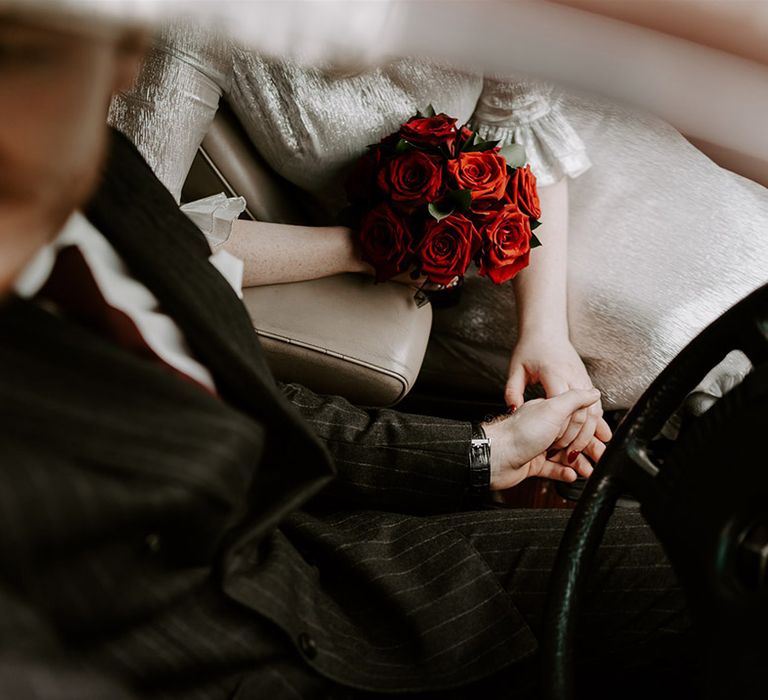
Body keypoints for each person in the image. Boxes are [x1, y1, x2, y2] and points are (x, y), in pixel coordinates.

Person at [0, 7, 694, 699]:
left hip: (326, 560)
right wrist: (365, 247)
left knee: (676, 560)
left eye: (23, 58)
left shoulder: (111, 188)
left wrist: (484, 451)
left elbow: (265, 409)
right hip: (224, 654)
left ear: (116, 58)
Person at [110, 23, 768, 440]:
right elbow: (141, 227)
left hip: (575, 170)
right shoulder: (194, 26)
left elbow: (524, 137)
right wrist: (361, 248)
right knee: (671, 337)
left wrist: (545, 331)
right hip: (447, 262)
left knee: (744, 260)